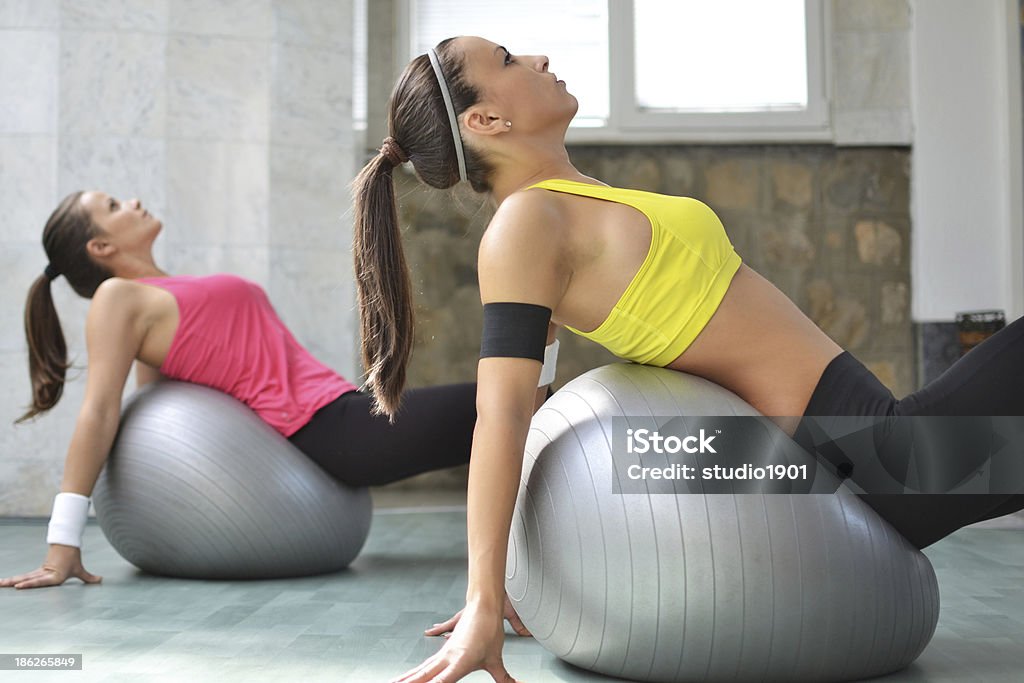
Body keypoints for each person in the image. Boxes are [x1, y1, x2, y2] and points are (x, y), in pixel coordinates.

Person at [353, 37, 1024, 683]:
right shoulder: (526, 226)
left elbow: (538, 396)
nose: (539, 58)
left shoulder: (567, 203)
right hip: (880, 459)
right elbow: (502, 411)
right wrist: (486, 596)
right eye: (507, 59)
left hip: (879, 438)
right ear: (486, 118)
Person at [0, 190, 477, 591]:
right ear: (101, 246)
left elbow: (172, 391)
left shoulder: (168, 290)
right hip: (323, 431)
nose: (134, 201)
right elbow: (100, 412)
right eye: (113, 205)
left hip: (340, 411)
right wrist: (63, 542)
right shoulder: (119, 298)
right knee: (500, 402)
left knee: (508, 404)